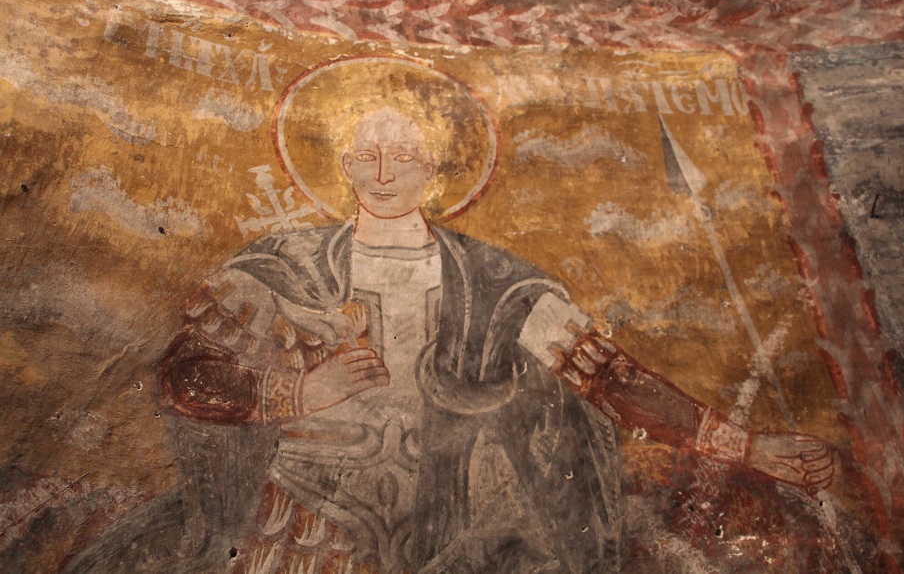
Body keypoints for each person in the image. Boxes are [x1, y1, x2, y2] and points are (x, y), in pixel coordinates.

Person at [67, 105, 833, 574]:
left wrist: (745, 447)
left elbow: (606, 376)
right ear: (343, 166)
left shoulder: (492, 281)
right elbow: (183, 375)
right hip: (302, 514)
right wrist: (296, 390)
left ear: (432, 170)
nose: (383, 171)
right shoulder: (285, 265)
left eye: (402, 155)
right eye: (366, 155)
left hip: (445, 522)